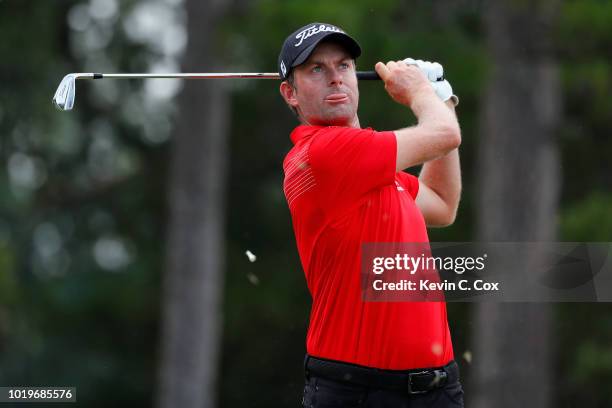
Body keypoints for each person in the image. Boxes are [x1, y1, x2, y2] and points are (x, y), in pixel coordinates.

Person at [278, 22, 464, 407]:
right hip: (357, 391)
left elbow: (443, 203)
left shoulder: (377, 171)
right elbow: (445, 135)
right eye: (316, 69)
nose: (335, 78)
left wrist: (441, 98)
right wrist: (421, 93)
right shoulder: (323, 153)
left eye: (343, 66)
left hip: (436, 389)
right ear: (290, 94)